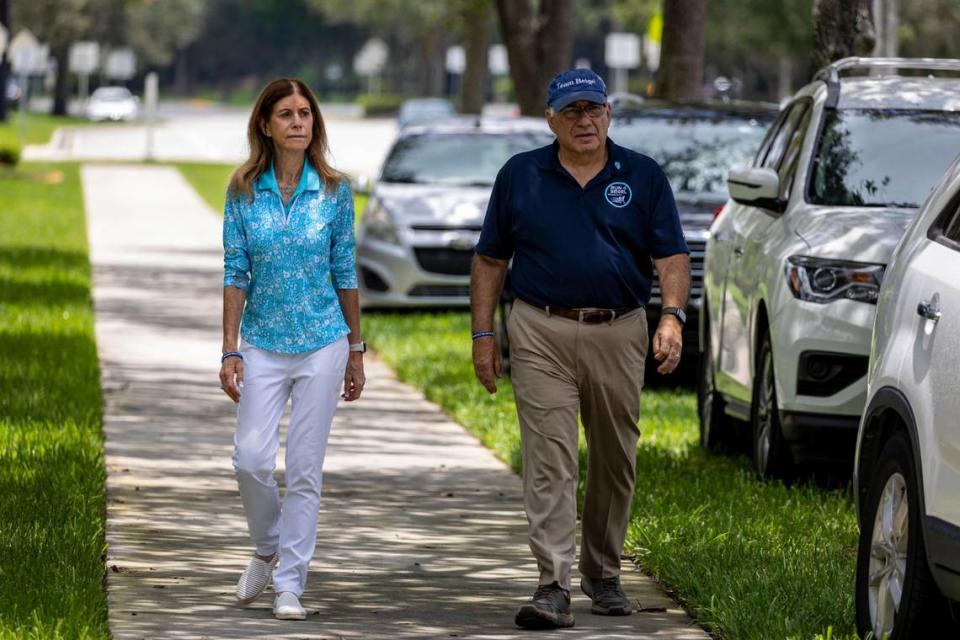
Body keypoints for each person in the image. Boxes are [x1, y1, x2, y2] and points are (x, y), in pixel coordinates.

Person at [470, 68, 690, 630]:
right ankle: (553, 584)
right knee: (551, 458)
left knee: (615, 457)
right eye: (572, 111)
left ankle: (602, 571)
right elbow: (491, 260)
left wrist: (671, 317)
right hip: (540, 328)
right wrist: (483, 335)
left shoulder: (642, 176)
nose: (584, 119)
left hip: (620, 330)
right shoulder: (521, 175)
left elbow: (670, 257)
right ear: (551, 120)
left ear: (609, 114)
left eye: (593, 109)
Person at [219, 77, 366, 621]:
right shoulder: (241, 190)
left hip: (323, 342)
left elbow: (345, 271)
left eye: (306, 113)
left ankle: (290, 585)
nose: (298, 122)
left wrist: (355, 349)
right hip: (261, 342)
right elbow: (235, 271)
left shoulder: (334, 191)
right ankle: (268, 544)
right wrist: (229, 350)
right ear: (266, 124)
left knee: (304, 469)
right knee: (251, 459)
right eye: (287, 114)